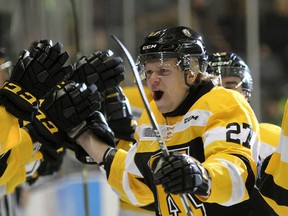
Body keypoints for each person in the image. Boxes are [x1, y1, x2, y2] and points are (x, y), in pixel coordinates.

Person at [67, 26, 260, 215]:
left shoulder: (222, 102)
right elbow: (137, 184)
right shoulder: (153, 114)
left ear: (191, 71)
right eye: (149, 72)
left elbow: (238, 172)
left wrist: (202, 177)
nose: (153, 80)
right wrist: (83, 135)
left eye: (163, 70)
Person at [208, 51, 283, 215]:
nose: (223, 93)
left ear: (246, 92)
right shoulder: (188, 140)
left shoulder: (272, 138)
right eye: (214, 86)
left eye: (230, 85)